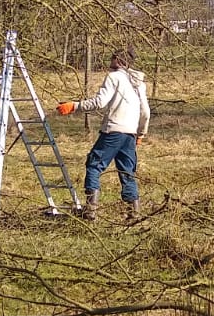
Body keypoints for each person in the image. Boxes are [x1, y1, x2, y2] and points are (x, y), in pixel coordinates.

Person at [57, 48, 150, 221]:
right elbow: (145, 112)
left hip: (113, 131)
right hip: (130, 134)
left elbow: (100, 102)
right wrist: (140, 134)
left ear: (119, 61)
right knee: (127, 172)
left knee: (94, 165)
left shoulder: (114, 77)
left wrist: (75, 106)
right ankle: (134, 214)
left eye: (112, 58)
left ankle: (91, 211)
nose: (110, 60)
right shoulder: (138, 84)